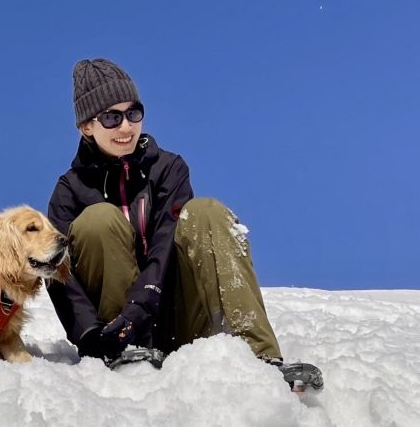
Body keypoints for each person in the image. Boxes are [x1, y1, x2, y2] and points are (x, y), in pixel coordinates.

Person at [46, 59, 322, 390]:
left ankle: (258, 358)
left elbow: (165, 242)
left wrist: (141, 304)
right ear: (86, 127)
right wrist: (90, 336)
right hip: (115, 334)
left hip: (177, 320)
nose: (125, 127)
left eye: (133, 113)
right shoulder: (69, 191)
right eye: (111, 117)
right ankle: (127, 353)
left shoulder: (168, 169)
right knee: (98, 220)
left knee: (205, 212)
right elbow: (60, 275)